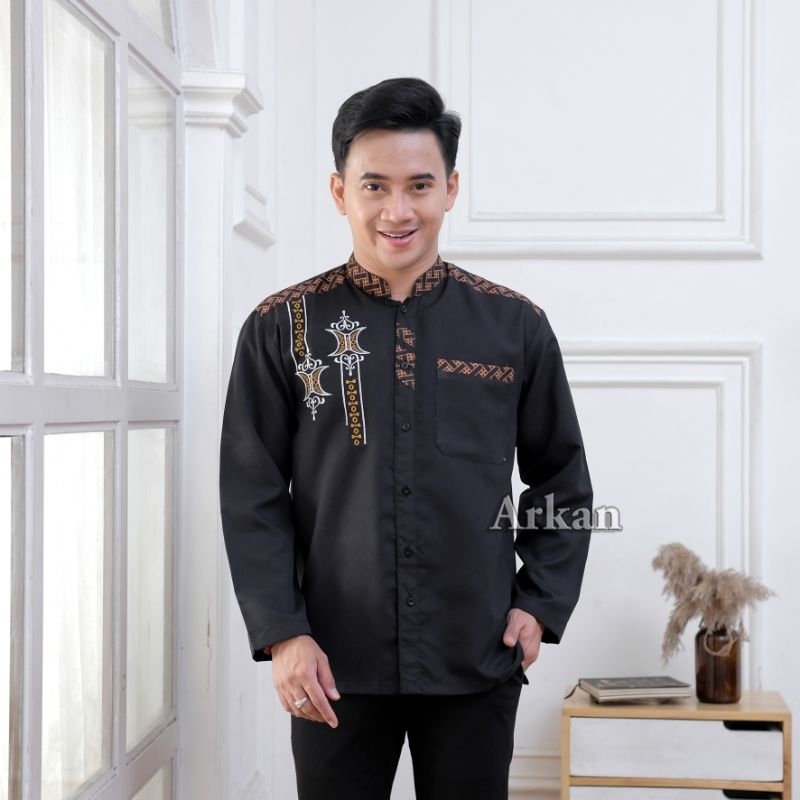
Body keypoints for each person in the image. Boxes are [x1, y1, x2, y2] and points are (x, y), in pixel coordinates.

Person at [219, 77, 592, 800]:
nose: (398, 210)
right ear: (339, 192)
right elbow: (251, 494)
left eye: (419, 185)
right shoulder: (280, 327)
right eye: (374, 186)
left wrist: (541, 603)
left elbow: (562, 479)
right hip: (331, 663)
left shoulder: (514, 326)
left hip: (476, 653)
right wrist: (283, 632)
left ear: (451, 189)